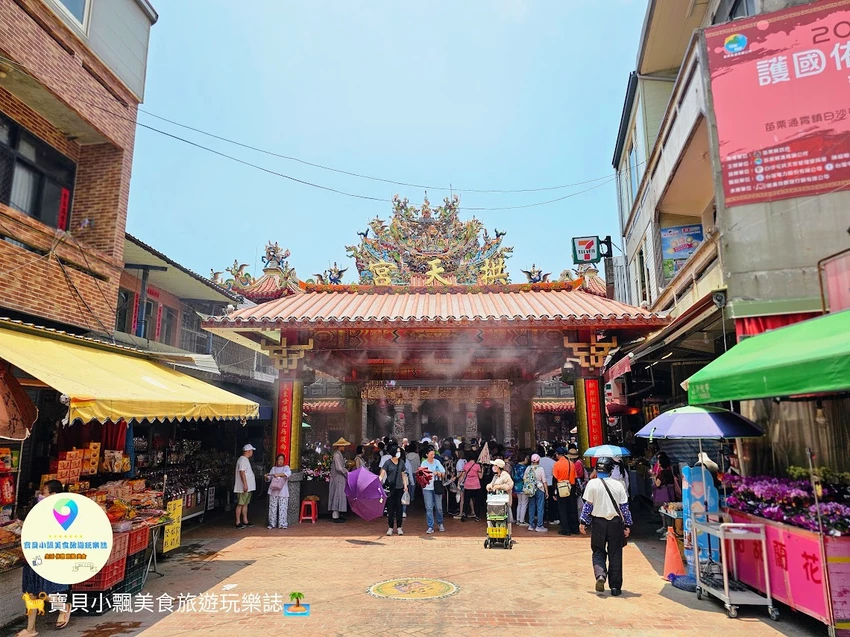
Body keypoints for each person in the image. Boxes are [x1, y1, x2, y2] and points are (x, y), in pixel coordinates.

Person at [19, 480, 70, 636]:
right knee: (30, 593)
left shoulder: (61, 513)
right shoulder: (38, 510)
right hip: (31, 555)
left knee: (43, 592)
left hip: (45, 556)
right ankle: (31, 629)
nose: (40, 495)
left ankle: (63, 607)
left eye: (44, 493)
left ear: (53, 495)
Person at [579, 457, 633, 596]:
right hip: (615, 523)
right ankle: (615, 587)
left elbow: (588, 506)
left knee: (598, 551)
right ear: (611, 470)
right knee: (615, 553)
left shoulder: (592, 484)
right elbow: (624, 508)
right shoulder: (618, 485)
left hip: (598, 523)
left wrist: (583, 522)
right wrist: (627, 525)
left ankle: (601, 575)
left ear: (597, 469)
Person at [380, 443, 410, 535]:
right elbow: (382, 474)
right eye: (397, 452)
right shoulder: (387, 463)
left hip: (399, 488)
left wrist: (405, 486)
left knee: (399, 508)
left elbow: (403, 475)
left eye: (399, 452)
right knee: (390, 509)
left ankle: (399, 527)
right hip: (390, 489)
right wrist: (378, 481)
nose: (399, 453)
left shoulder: (401, 462)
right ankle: (390, 527)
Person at [553, 447, 579, 535]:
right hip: (571, 487)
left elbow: (555, 479)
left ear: (557, 454)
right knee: (572, 509)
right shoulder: (571, 463)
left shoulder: (557, 464)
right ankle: (575, 528)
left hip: (561, 488)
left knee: (563, 510)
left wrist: (554, 492)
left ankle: (566, 530)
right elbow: (575, 478)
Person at [420, 446, 446, 534]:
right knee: (429, 507)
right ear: (427, 454)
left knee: (439, 507)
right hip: (427, 488)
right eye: (431, 454)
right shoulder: (424, 463)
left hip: (436, 487)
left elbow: (443, 473)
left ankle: (440, 523)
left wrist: (438, 473)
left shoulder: (437, 462)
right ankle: (430, 526)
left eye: (433, 454)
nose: (433, 456)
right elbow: (421, 475)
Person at [265, 454, 292, 529]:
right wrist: (267, 477)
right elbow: (269, 479)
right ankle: (272, 524)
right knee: (272, 508)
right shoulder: (273, 468)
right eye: (279, 459)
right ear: (276, 461)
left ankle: (282, 524)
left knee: (283, 508)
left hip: (283, 492)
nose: (280, 461)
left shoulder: (286, 467)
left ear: (284, 461)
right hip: (273, 491)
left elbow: (288, 474)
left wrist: (278, 474)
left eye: (282, 459)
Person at [234, 444, 257, 529]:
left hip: (248, 487)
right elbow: (242, 472)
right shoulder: (243, 460)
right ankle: (238, 522)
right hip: (244, 487)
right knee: (240, 503)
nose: (252, 453)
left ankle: (245, 520)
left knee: (245, 504)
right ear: (248, 451)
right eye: (251, 451)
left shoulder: (245, 460)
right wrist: (245, 484)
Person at [525, 454, 548, 532]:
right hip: (539, 488)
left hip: (530, 489)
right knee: (540, 507)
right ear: (538, 460)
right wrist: (547, 491)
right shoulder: (541, 469)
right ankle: (539, 525)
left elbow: (524, 478)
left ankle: (531, 525)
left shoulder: (528, 468)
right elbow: (544, 481)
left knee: (531, 506)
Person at [329, 437, 351, 523]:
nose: (344, 447)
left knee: (340, 496)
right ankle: (335, 516)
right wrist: (346, 471)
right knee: (337, 496)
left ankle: (338, 514)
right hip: (337, 478)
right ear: (340, 446)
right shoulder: (337, 455)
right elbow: (338, 468)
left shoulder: (339, 454)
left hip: (340, 478)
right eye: (343, 446)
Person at [458, 453, 482, 521]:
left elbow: (462, 476)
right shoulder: (477, 466)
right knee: (477, 501)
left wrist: (459, 484)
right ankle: (477, 516)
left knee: (466, 501)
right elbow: (480, 476)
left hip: (467, 485)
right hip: (476, 485)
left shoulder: (466, 465)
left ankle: (464, 514)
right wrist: (482, 469)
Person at [538, 446, 557, 525]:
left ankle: (542, 518)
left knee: (541, 503)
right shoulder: (553, 462)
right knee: (551, 502)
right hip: (550, 484)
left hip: (540, 484)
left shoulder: (540, 460)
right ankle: (551, 518)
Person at [512, 454, 529, 526]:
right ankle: (522, 520)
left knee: (519, 503)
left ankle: (518, 519)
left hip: (516, 486)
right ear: (524, 459)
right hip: (523, 486)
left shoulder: (515, 466)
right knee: (524, 503)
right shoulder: (524, 467)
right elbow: (524, 477)